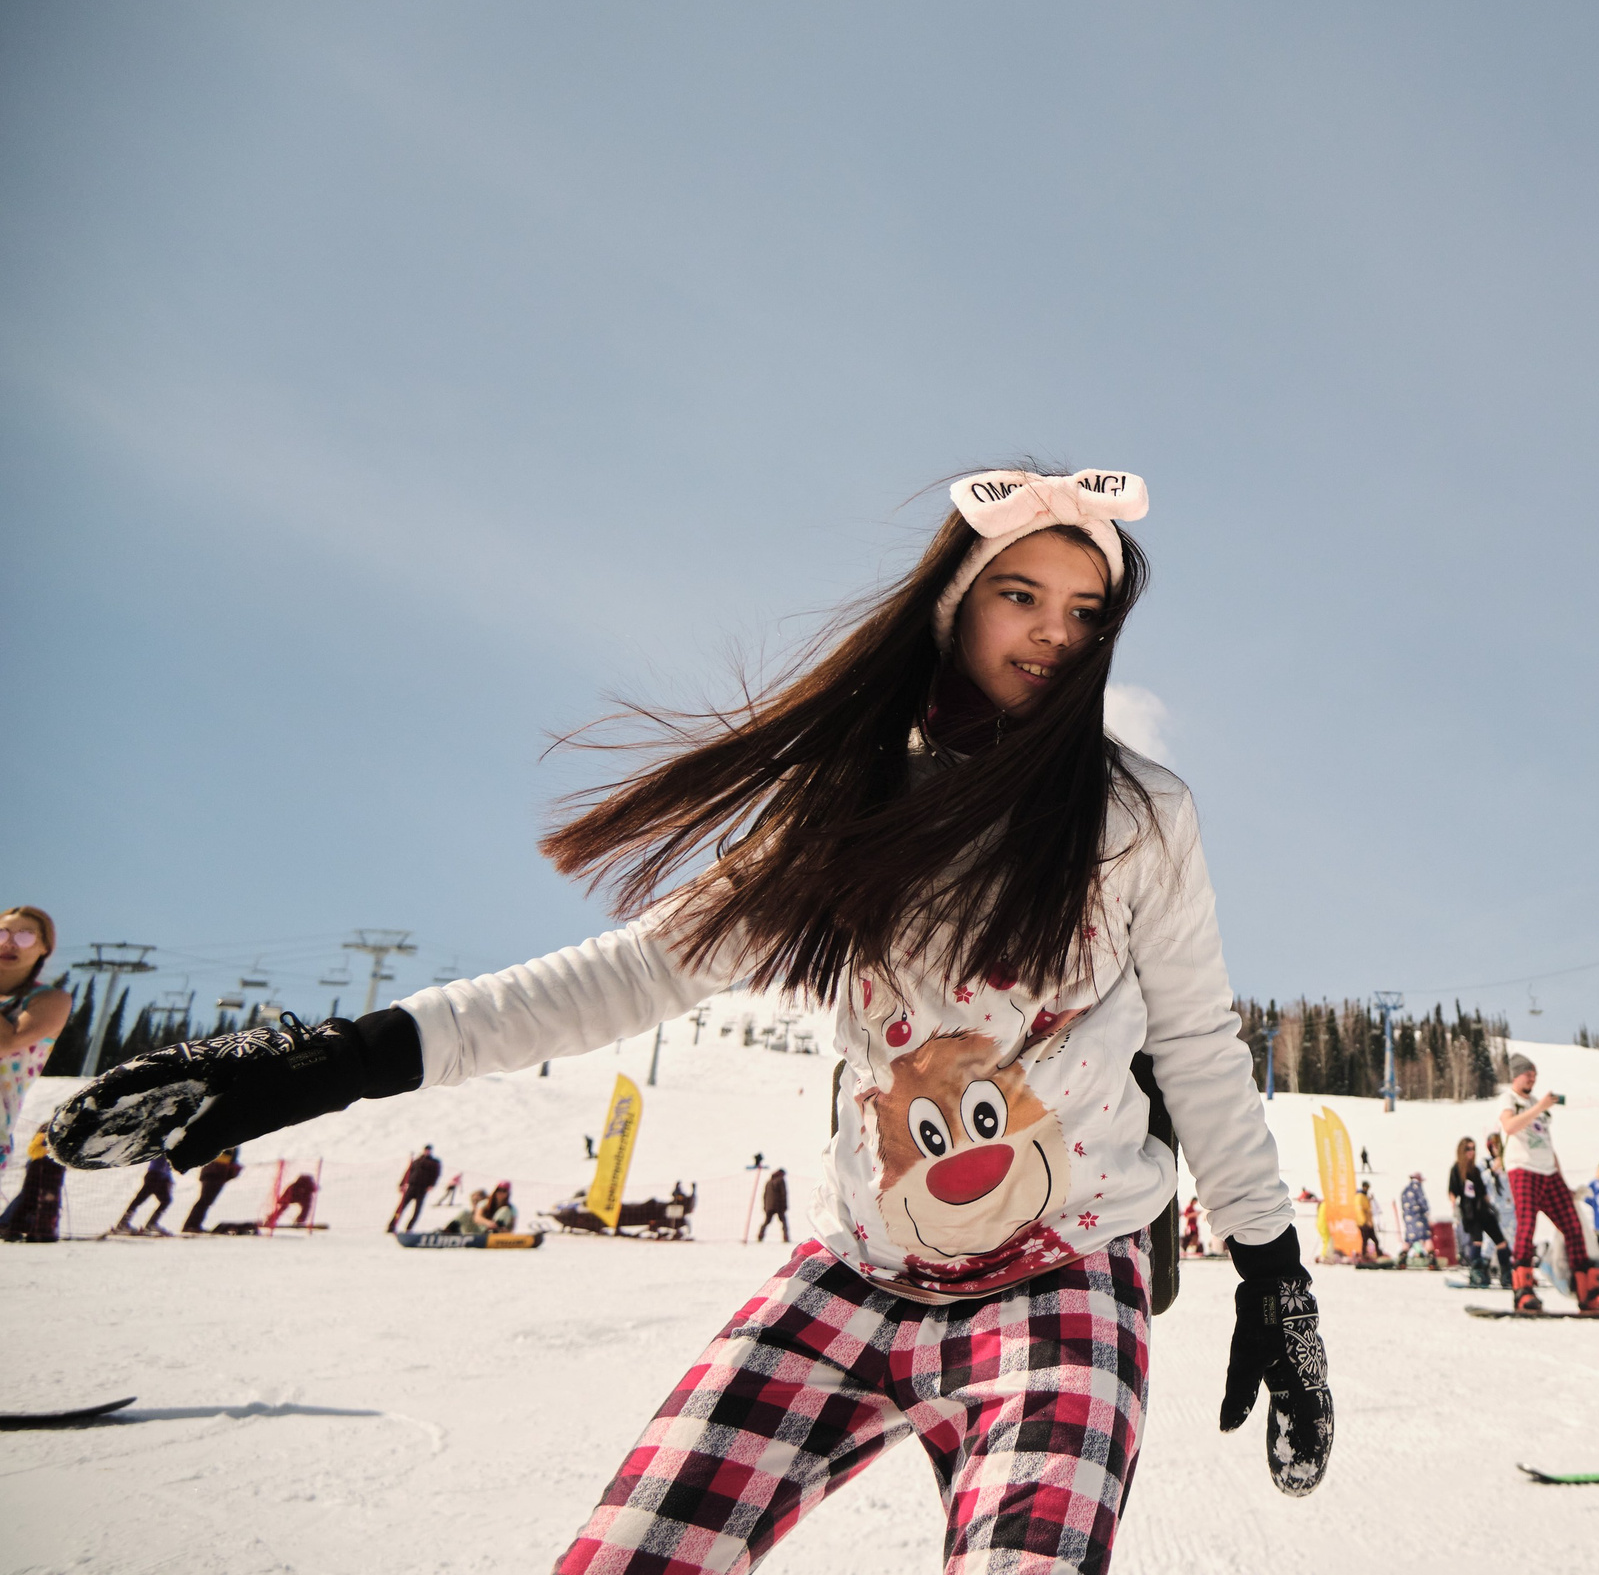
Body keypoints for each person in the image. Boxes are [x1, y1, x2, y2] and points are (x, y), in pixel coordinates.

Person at [52, 466, 1335, 1571]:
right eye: (1019, 594)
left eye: (1084, 610)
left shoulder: (1137, 816)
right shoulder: (851, 808)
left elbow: (1197, 1048)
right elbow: (633, 975)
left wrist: (1275, 1276)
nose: (1052, 634)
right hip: (861, 1275)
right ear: (952, 603)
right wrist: (336, 1061)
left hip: (1064, 1283)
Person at [1498, 1054, 1599, 1313]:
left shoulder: (1538, 1106)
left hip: (1548, 1172)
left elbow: (1549, 1146)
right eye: (1527, 1073)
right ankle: (1522, 1290)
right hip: (1523, 1168)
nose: (1532, 1078)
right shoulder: (1509, 1100)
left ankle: (1587, 1291)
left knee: (1572, 1226)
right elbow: (1509, 1127)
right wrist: (1539, 1107)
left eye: (1534, 1074)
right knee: (1526, 1225)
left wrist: (1562, 1180)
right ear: (1516, 1075)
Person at [0, 907, 71, 1184]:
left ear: (44, 947)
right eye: (3, 933)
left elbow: (7, 1042)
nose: (10, 942)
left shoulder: (50, 1000)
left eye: (25, 936)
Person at [1449, 1136, 1511, 1283]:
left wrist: (1492, 1207)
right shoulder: (1457, 1169)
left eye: (1473, 1148)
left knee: (1500, 1241)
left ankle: (1506, 1272)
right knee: (1477, 1240)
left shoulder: (1475, 1170)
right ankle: (1476, 1271)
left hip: (1483, 1211)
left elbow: (1483, 1193)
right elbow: (1452, 1191)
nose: (1471, 1152)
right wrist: (1455, 1208)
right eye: (1468, 1149)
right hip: (1470, 1212)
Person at [0, 1124, 66, 1241]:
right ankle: (6, 1223)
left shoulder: (59, 1132)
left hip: (48, 1168)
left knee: (39, 1199)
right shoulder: (46, 1131)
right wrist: (48, 1151)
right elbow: (33, 1150)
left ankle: (32, 1226)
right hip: (37, 1167)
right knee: (27, 1196)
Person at [113, 1155, 177, 1235]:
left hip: (160, 1176)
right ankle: (126, 1224)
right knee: (141, 1199)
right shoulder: (165, 1149)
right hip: (155, 1175)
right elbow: (163, 1163)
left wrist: (169, 1178)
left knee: (165, 1200)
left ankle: (149, 1224)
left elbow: (167, 1166)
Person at [182, 1149, 242, 1234]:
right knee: (204, 1201)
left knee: (205, 1201)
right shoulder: (228, 1143)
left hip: (216, 1172)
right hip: (215, 1172)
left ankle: (192, 1225)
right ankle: (191, 1226)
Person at [391, 1144, 442, 1233]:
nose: (427, 1152)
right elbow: (408, 1172)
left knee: (417, 1210)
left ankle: (409, 1227)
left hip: (422, 1188)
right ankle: (392, 1226)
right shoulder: (417, 1161)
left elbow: (436, 1175)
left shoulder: (434, 1163)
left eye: (429, 1150)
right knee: (401, 1207)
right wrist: (402, 1184)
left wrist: (432, 1185)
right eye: (426, 1150)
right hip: (412, 1187)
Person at [1396, 1171, 1434, 1266]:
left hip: (1408, 1218)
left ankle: (1402, 1259)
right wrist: (1427, 1212)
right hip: (1419, 1218)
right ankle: (1431, 1259)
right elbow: (1422, 1201)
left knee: (1409, 1239)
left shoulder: (1405, 1190)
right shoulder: (1418, 1188)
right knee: (1426, 1237)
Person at [758, 1165, 791, 1243]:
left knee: (767, 1221)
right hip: (779, 1206)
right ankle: (785, 1237)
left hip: (769, 1206)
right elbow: (783, 1194)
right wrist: (784, 1205)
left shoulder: (769, 1182)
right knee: (783, 1222)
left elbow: (764, 1195)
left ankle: (760, 1235)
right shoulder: (781, 1180)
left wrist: (765, 1206)